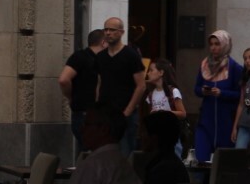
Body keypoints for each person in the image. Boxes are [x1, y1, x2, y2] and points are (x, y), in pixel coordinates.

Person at [94, 17, 146, 156]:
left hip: (125, 115)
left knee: (124, 155)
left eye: (112, 30)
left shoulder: (131, 55)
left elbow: (141, 86)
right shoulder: (101, 57)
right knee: (103, 154)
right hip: (106, 114)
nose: (108, 33)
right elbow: (99, 83)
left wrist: (127, 111)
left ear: (122, 32)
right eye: (106, 29)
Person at [193, 30, 243, 163]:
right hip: (206, 120)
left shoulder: (234, 68)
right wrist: (203, 91)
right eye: (211, 44)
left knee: (223, 162)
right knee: (201, 159)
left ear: (225, 45)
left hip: (226, 122)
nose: (213, 48)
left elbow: (241, 95)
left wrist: (222, 93)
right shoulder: (204, 65)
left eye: (217, 44)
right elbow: (196, 89)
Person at [58, 28, 105, 153]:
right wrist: (70, 97)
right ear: (103, 42)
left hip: (87, 113)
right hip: (85, 113)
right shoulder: (81, 57)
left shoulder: (95, 59)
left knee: (87, 153)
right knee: (91, 153)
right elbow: (63, 79)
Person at [137, 110, 190, 184]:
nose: (140, 136)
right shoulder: (176, 165)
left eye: (143, 131)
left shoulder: (161, 171)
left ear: (154, 138)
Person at [142, 59, 186, 156]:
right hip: (156, 135)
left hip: (171, 134)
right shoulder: (150, 95)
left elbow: (182, 113)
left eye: (151, 70)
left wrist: (164, 112)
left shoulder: (173, 92)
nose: (148, 73)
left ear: (161, 72)